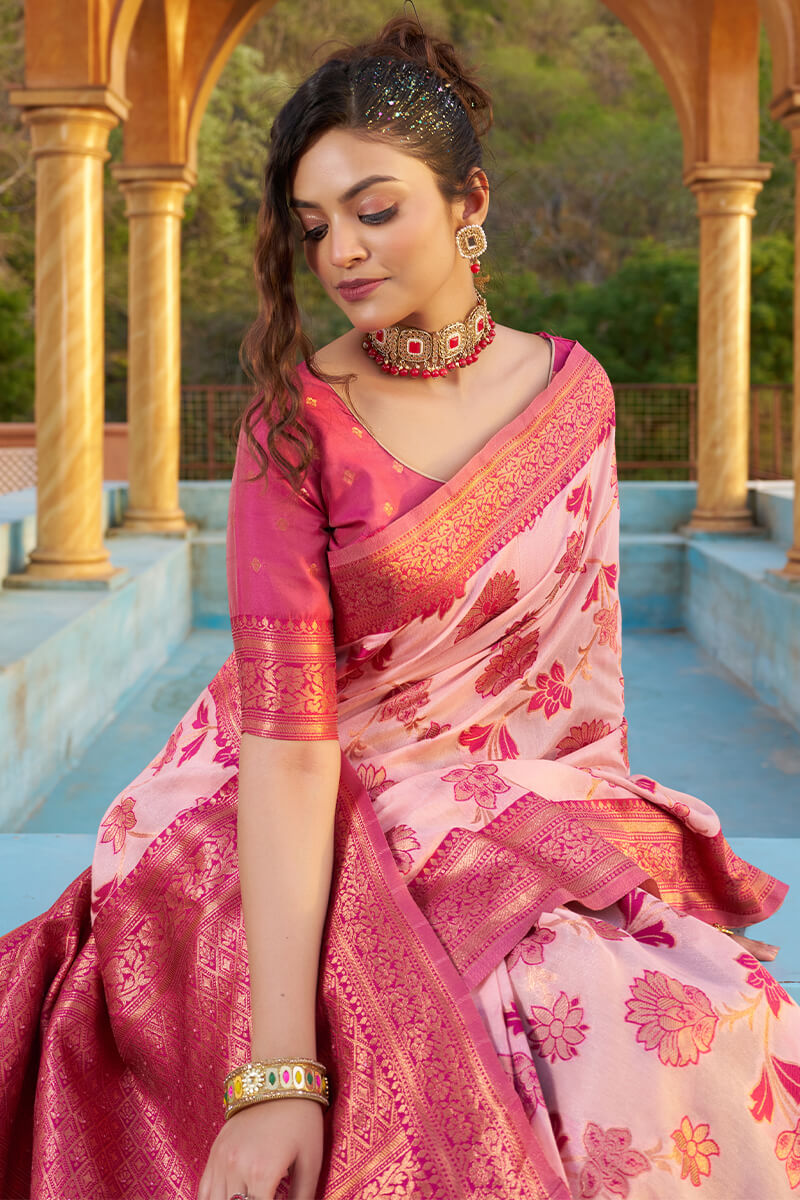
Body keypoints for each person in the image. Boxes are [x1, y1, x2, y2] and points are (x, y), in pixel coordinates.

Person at [2, 15, 799, 1200]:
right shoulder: (294, 428)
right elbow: (285, 750)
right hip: (312, 813)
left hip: (518, 811)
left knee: (712, 1017)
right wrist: (278, 1076)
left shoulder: (570, 393)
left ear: (466, 201)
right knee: (552, 1025)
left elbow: (577, 684)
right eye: (315, 227)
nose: (342, 254)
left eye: (377, 210)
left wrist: (603, 861)